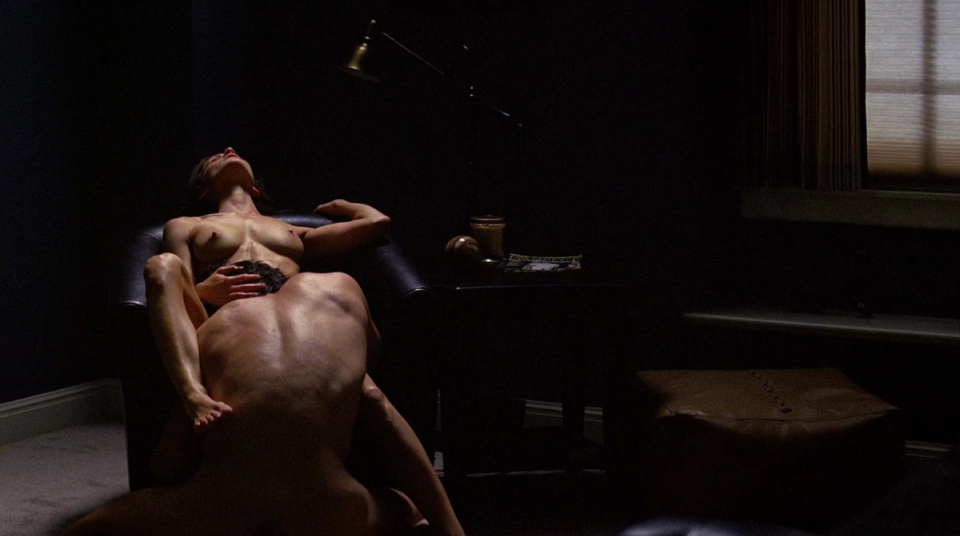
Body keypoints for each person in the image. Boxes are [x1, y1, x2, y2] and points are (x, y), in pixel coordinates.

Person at [66, 147, 465, 536]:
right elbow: (179, 286)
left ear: (256, 188)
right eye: (215, 157)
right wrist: (206, 291)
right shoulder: (185, 225)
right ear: (203, 189)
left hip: (300, 322)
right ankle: (192, 394)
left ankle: (443, 522)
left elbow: (377, 223)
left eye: (232, 152)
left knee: (370, 393)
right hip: (221, 313)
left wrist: (344, 205)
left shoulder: (293, 231)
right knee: (163, 266)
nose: (228, 149)